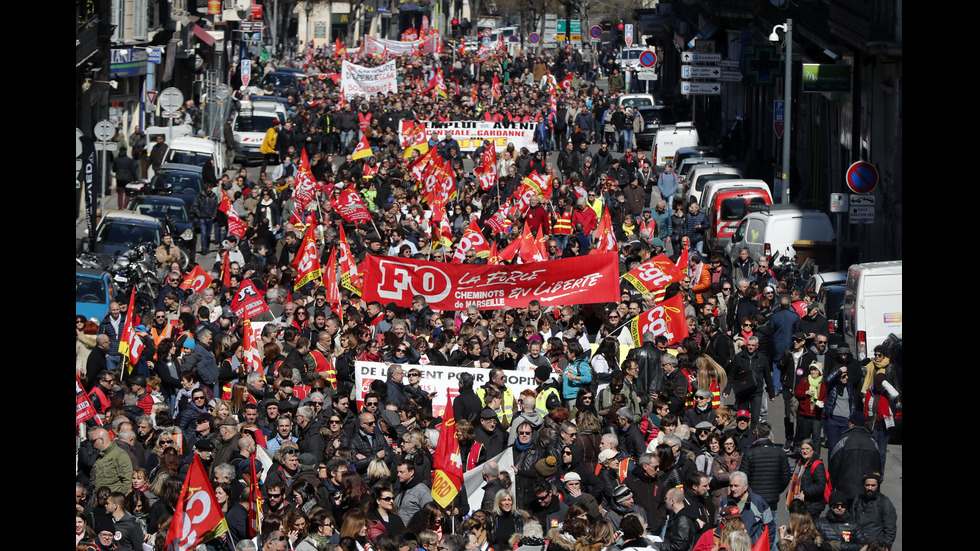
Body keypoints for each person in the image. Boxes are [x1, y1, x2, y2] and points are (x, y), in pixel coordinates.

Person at [740, 422, 790, 513]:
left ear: (757, 434)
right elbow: (786, 477)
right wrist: (776, 490)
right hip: (772, 499)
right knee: (770, 525)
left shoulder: (750, 453)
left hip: (754, 498)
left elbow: (743, 477)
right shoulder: (780, 452)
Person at [718, 471, 776, 549]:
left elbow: (770, 527)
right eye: (731, 486)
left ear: (745, 486)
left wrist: (766, 547)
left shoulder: (758, 502)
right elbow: (719, 525)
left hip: (753, 547)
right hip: (731, 547)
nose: (733, 489)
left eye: (736, 486)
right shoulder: (725, 502)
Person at [850, 473, 896, 548]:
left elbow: (890, 529)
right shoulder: (858, 500)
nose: (870, 488)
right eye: (867, 485)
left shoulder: (884, 502)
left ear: (878, 486)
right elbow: (851, 522)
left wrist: (885, 547)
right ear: (863, 485)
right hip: (858, 544)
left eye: (873, 485)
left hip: (875, 546)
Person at [787, 439, 828, 518]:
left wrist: (804, 492)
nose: (805, 451)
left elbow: (820, 485)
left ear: (813, 450)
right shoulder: (800, 463)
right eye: (803, 449)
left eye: (807, 449)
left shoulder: (817, 465)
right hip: (802, 506)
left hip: (813, 506)